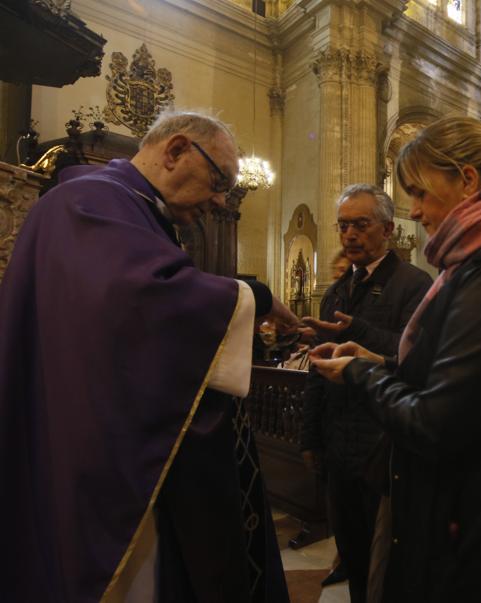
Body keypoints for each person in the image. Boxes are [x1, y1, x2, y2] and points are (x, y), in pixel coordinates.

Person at [0, 110, 296, 602]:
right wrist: (256, 297)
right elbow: (145, 303)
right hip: (96, 453)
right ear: (176, 150)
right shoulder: (90, 202)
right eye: (219, 180)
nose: (221, 200)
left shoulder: (122, 205)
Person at [310, 117, 481, 603]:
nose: (414, 211)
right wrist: (379, 361)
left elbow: (438, 421)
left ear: (466, 180)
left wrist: (359, 374)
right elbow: (461, 379)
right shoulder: (472, 267)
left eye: (420, 193)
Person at [298, 183, 432, 603]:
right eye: (343, 226)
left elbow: (411, 359)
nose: (349, 235)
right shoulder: (336, 291)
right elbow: (318, 369)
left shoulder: (414, 283)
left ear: (388, 229)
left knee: (388, 566)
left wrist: (356, 330)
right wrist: (310, 437)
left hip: (384, 447)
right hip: (340, 446)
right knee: (353, 555)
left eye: (360, 224)